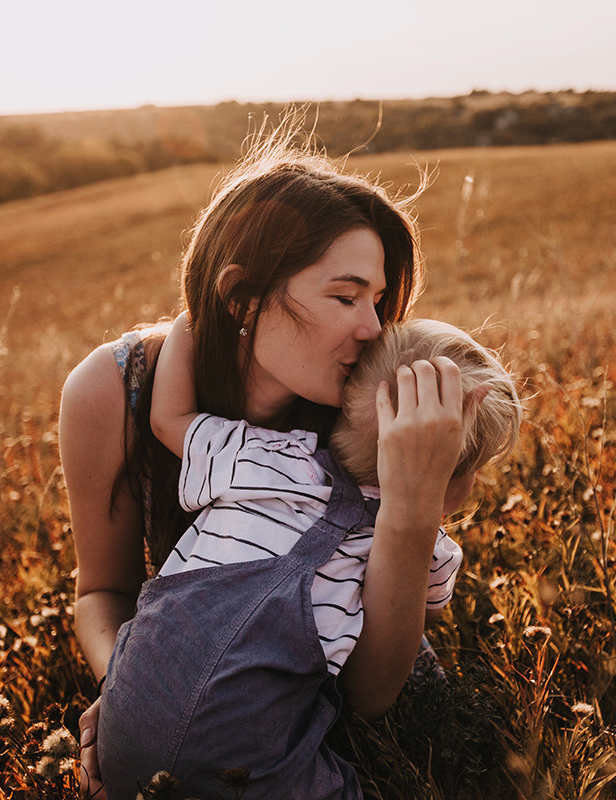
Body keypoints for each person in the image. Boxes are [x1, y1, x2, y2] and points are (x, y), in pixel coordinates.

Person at [57, 124, 445, 798]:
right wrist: (135, 685)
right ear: (242, 297)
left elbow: (370, 692)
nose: (372, 329)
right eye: (345, 297)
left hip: (316, 685)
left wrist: (412, 510)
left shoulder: (360, 410)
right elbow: (100, 593)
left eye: (378, 301)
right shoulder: (111, 392)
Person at [96, 318, 521, 798]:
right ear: (448, 479)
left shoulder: (267, 456)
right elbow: (425, 617)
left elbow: (167, 418)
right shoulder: (426, 551)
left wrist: (191, 321)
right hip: (253, 763)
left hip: (121, 736)